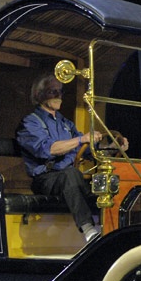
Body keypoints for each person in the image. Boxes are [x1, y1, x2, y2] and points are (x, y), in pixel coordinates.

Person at [15, 74, 128, 243]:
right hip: (45, 178)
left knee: (106, 183)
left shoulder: (66, 124)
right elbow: (49, 149)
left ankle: (115, 230)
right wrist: (81, 139)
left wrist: (113, 148)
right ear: (39, 95)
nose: (58, 95)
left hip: (70, 177)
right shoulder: (30, 123)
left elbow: (88, 150)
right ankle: (89, 230)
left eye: (61, 91)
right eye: (53, 91)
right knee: (71, 175)